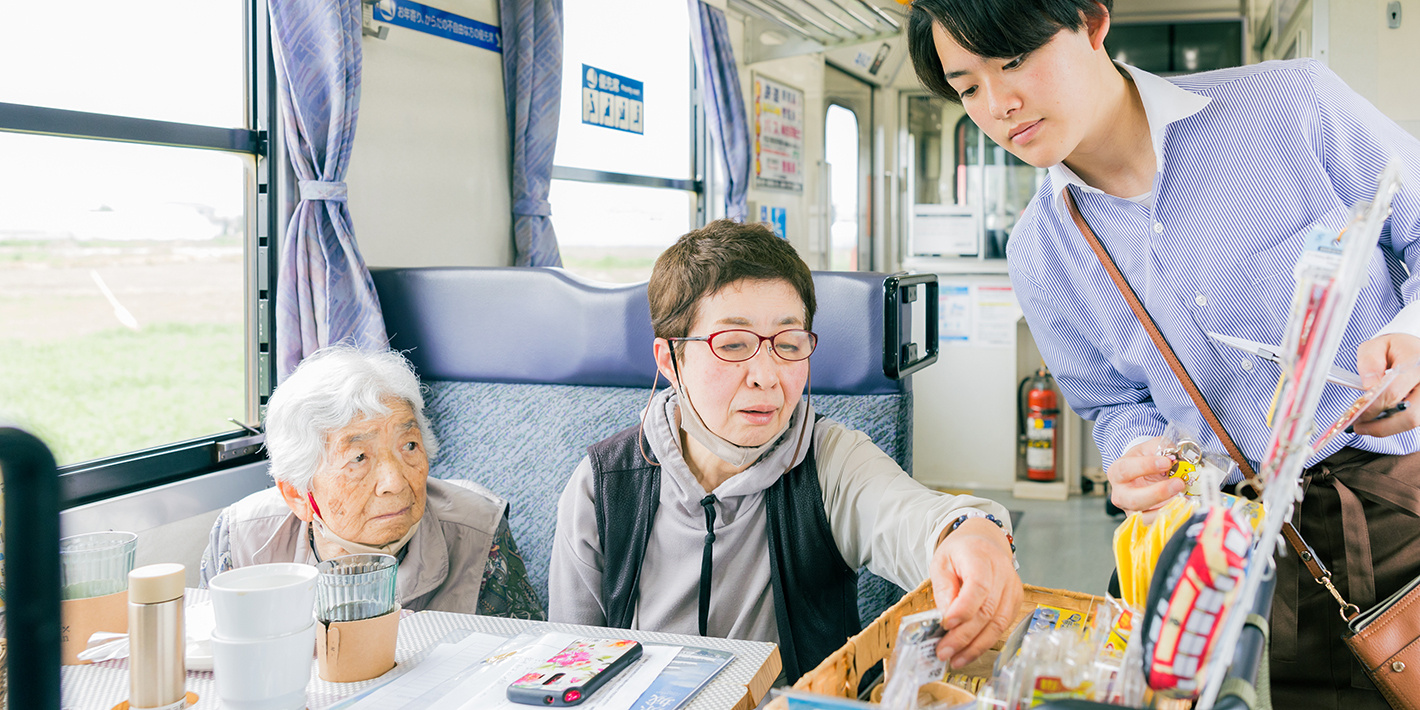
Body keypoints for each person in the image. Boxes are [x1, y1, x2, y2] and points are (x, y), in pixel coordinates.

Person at [907, 0, 1420, 706]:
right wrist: (1136, 457)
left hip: (1401, 500)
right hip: (1234, 550)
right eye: (967, 88)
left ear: (1091, 22)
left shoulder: (1290, 105)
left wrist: (1416, 339)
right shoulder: (1040, 253)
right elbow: (1114, 405)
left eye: (1015, 59)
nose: (999, 104)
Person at [548, 220, 1021, 682]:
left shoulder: (829, 460)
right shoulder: (604, 484)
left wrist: (971, 535)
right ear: (671, 358)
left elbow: (916, 518)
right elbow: (574, 665)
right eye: (733, 344)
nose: (767, 376)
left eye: (789, 344)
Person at [199, 346, 545, 619]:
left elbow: (523, 666)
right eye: (359, 458)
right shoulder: (240, 539)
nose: (394, 482)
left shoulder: (478, 531)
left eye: (408, 446)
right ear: (297, 495)